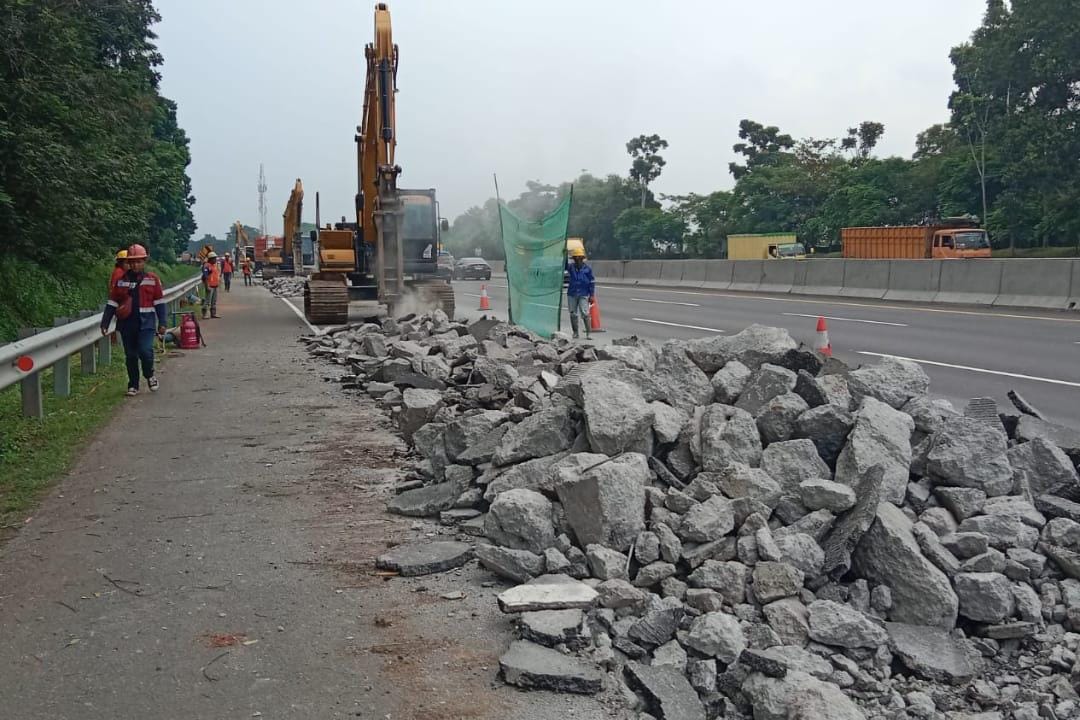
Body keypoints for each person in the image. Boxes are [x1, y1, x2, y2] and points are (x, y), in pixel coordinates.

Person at [101, 244, 166, 396]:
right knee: (130, 355)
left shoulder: (152, 280)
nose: (136, 265)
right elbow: (112, 303)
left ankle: (149, 375)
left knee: (145, 351)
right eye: (133, 262)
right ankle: (133, 385)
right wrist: (105, 322)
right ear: (128, 263)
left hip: (146, 324)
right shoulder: (120, 281)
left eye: (139, 261)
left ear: (144, 261)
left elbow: (159, 302)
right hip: (127, 324)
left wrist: (162, 322)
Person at [565, 246, 595, 339]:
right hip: (572, 293)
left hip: (583, 293)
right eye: (575, 258)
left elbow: (592, 282)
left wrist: (592, 295)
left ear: (582, 258)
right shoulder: (571, 267)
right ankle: (575, 332)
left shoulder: (588, 269)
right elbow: (564, 264)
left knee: (585, 313)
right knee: (573, 313)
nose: (577, 260)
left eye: (579, 258)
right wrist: (565, 254)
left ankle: (588, 333)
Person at [202, 251, 221, 318]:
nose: (215, 260)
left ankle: (213, 314)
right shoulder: (207, 266)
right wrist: (207, 286)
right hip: (210, 286)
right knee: (208, 301)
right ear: (210, 259)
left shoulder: (214, 265)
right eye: (214, 258)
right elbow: (205, 277)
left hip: (215, 285)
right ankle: (204, 314)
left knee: (214, 301)